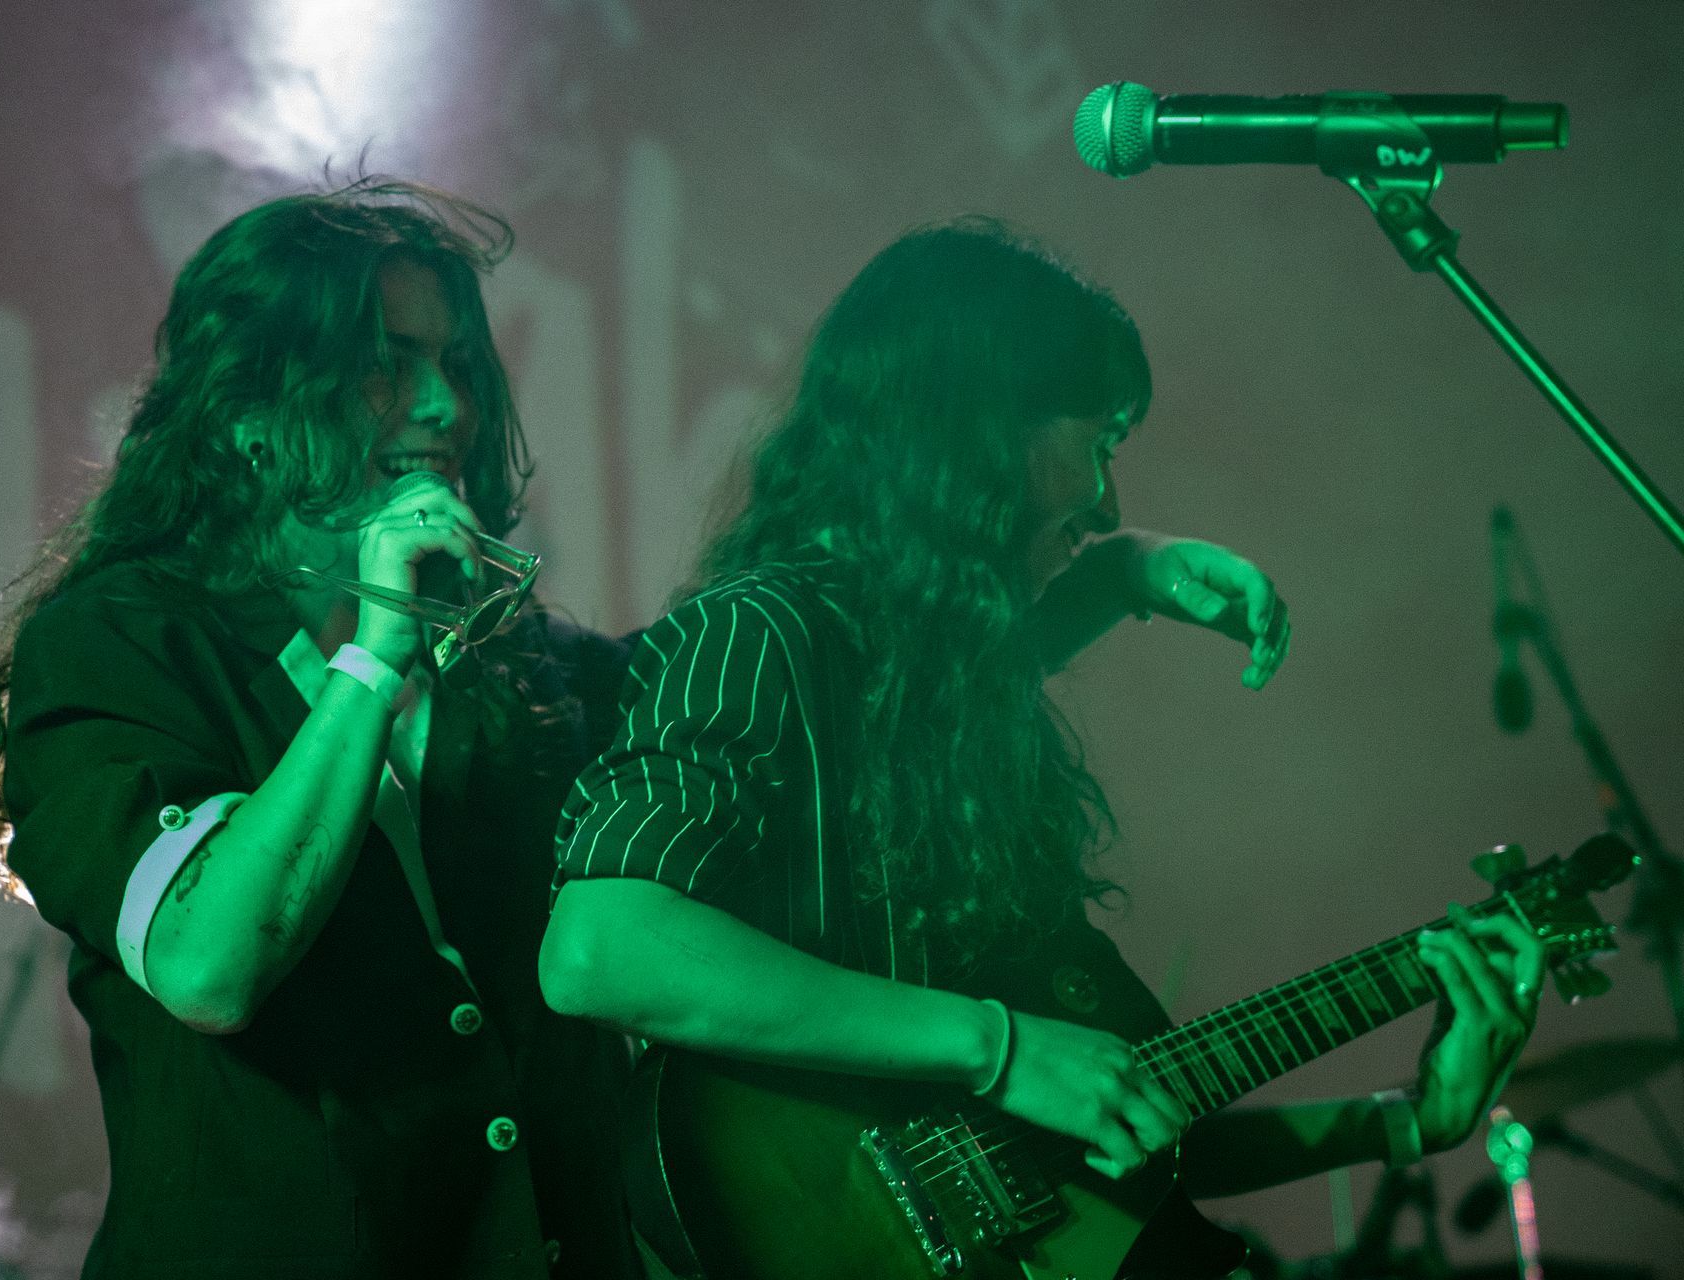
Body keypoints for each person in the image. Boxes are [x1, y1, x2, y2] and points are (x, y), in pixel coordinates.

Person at [539, 217, 1543, 1272]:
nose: (1108, 499)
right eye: (1100, 443)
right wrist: (1001, 1046)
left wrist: (1405, 1120)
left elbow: (1100, 1155)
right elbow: (601, 946)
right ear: (980, 431)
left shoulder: (943, 713)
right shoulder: (757, 633)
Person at [0, 178, 640, 1279]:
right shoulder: (120, 643)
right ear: (249, 412)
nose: (445, 406)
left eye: (457, 364)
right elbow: (209, 963)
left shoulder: (524, 665)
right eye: (386, 364)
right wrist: (372, 658)